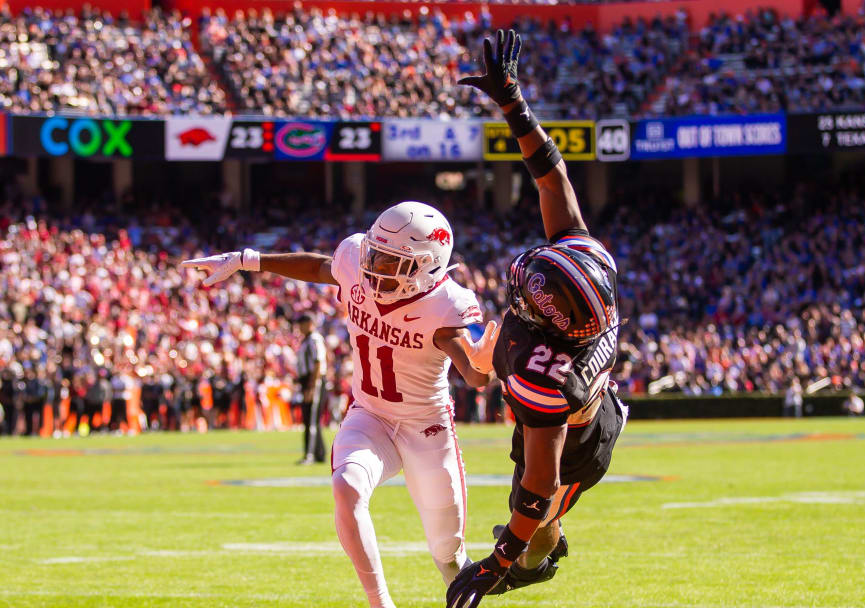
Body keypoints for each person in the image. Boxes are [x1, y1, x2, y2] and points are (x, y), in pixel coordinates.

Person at [181, 200, 493, 608]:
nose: (377, 268)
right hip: (371, 414)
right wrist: (247, 260)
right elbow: (318, 268)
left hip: (426, 427)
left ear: (429, 266)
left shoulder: (448, 305)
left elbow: (476, 376)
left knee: (449, 559)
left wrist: (485, 366)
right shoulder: (354, 259)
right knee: (346, 486)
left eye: (393, 262)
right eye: (376, 254)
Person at [446, 29, 628, 608]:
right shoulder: (588, 269)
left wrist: (494, 566)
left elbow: (542, 479)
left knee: (532, 523)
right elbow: (552, 175)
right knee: (527, 505)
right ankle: (535, 542)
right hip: (571, 411)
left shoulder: (543, 372)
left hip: (573, 445)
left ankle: (542, 558)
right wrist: (514, 106)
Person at [295, 313, 328, 465]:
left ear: (309, 323)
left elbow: (318, 362)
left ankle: (310, 455)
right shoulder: (306, 340)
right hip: (308, 381)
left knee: (312, 419)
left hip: (314, 381)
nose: (300, 327)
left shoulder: (314, 339)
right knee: (310, 418)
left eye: (302, 323)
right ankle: (319, 453)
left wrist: (311, 386)